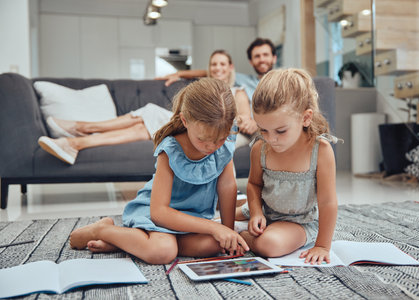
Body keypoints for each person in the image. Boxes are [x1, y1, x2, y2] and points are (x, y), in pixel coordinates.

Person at [69, 78, 249, 264]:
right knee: (163, 252)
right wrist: (213, 227)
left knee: (214, 246)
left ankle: (132, 242)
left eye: (220, 139)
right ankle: (102, 230)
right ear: (185, 121)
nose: (212, 146)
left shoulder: (225, 141)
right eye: (203, 139)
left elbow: (227, 186)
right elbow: (159, 213)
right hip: (159, 214)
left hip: (192, 221)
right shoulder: (171, 150)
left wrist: (227, 232)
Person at [38, 50, 256, 164]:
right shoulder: (205, 88)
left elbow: (244, 118)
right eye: (213, 64)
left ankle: (81, 132)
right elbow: (202, 77)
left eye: (222, 64)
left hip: (219, 130)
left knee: (151, 114)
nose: (217, 68)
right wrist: (180, 73)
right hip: (194, 124)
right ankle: (77, 139)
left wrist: (246, 120)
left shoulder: (237, 91)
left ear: (230, 67)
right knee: (146, 124)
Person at [238, 69, 339, 265]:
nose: (270, 139)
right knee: (211, 222)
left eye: (280, 131)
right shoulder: (260, 148)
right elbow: (254, 185)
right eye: (263, 129)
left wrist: (322, 246)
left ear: (306, 118)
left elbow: (328, 202)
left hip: (299, 222)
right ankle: (237, 217)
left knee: (270, 245)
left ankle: (238, 234)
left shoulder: (321, 151)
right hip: (265, 213)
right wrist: (257, 212)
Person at [157, 38, 277, 100]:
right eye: (257, 56)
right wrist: (179, 74)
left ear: (274, 58)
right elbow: (213, 72)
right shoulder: (244, 80)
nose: (261, 59)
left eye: (265, 55)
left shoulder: (283, 82)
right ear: (251, 61)